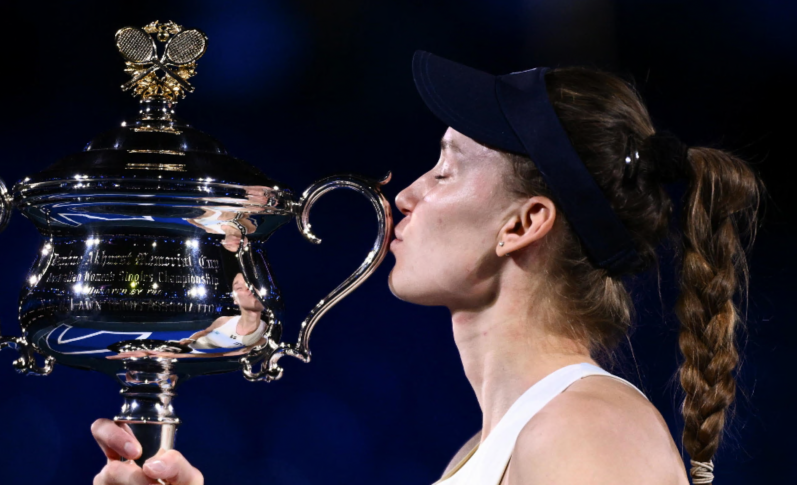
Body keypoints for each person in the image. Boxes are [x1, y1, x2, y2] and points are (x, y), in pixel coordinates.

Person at [90, 51, 760, 485]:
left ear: (523, 223)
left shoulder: (585, 427)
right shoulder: (484, 451)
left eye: (446, 167)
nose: (406, 195)